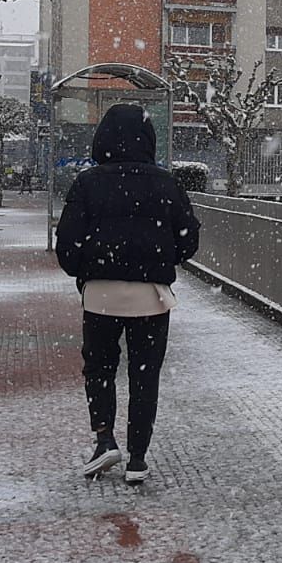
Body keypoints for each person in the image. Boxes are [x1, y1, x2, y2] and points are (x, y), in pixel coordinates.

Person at [54, 104, 199, 483]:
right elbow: (189, 239)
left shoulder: (88, 183)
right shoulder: (166, 183)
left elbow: (67, 244)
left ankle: (105, 440)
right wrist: (160, 258)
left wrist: (86, 272)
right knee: (144, 374)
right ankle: (138, 457)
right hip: (151, 296)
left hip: (100, 295)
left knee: (99, 369)